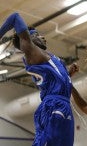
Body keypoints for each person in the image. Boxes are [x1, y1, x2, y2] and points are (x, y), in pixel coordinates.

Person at [0, 13, 75, 145]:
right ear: (29, 39)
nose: (43, 37)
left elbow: (53, 79)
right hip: (53, 105)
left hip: (62, 103)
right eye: (37, 35)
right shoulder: (32, 52)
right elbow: (15, 17)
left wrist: (68, 73)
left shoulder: (47, 57)